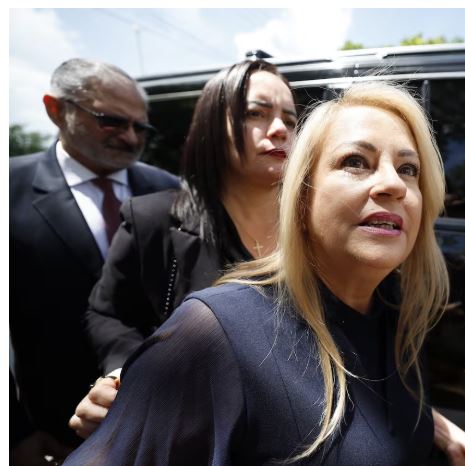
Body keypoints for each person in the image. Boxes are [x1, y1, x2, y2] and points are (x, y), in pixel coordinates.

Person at [63, 82, 465, 465]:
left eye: (409, 169)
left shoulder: (397, 315)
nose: (393, 185)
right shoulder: (215, 331)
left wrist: (434, 427)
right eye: (356, 161)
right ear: (300, 196)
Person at [68, 59, 297, 439]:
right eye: (256, 114)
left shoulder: (319, 229)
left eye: (290, 120)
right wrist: (127, 374)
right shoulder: (153, 220)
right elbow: (109, 314)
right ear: (212, 126)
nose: (279, 130)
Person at [9, 58, 178, 455]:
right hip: (52, 436)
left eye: (141, 127)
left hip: (163, 426)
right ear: (56, 109)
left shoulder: (170, 190)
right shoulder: (8, 189)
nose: (131, 137)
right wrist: (15, 435)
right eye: (111, 121)